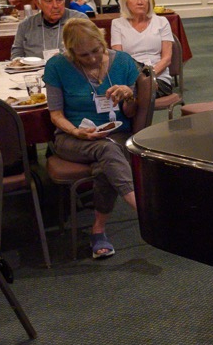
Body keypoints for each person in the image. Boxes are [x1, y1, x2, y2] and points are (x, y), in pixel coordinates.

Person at [43, 19, 141, 260]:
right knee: (108, 152)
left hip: (115, 133)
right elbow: (55, 115)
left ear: (102, 41)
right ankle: (147, 211)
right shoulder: (57, 66)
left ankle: (98, 230)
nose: (93, 59)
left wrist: (129, 94)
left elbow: (131, 113)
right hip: (73, 137)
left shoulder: (123, 61)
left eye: (96, 51)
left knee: (105, 160)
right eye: (84, 55)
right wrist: (77, 131)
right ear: (71, 51)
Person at [111, 0, 175, 96]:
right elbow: (119, 60)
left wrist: (149, 76)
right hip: (131, 78)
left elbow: (167, 59)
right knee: (124, 62)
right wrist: (140, 79)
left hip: (158, 79)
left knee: (137, 92)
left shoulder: (162, 22)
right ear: (126, 2)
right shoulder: (117, 24)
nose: (140, 2)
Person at [12, 0, 87, 60]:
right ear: (38, 4)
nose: (55, 5)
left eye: (59, 0)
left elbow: (91, 52)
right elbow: (16, 56)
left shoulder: (80, 21)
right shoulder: (26, 25)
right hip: (33, 72)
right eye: (49, 1)